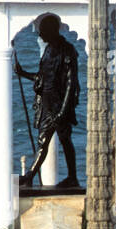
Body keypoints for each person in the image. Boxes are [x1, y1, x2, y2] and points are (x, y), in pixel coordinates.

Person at [14, 13, 79, 188]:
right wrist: (23, 73)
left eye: (42, 31)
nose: (40, 35)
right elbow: (43, 78)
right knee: (43, 141)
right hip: (47, 103)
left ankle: (72, 177)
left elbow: (71, 84)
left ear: (51, 31)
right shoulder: (49, 50)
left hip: (60, 104)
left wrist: (63, 111)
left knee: (65, 140)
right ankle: (29, 176)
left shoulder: (67, 51)